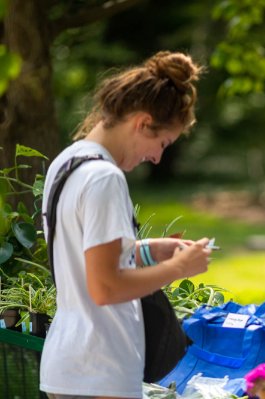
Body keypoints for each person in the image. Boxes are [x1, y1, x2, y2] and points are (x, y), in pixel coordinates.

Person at [40, 51, 212, 399]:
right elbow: (105, 287)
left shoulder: (67, 162)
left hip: (70, 364)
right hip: (99, 371)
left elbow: (85, 257)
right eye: (161, 143)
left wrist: (148, 252)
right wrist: (178, 267)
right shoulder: (104, 178)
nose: (157, 157)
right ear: (142, 122)